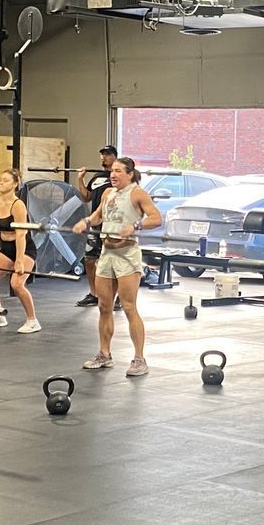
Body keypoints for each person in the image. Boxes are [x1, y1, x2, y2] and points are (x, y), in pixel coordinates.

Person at [73, 156, 161, 375]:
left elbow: (156, 218)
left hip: (127, 254)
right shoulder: (107, 193)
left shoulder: (137, 193)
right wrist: (85, 222)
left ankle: (139, 359)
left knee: (129, 306)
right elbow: (97, 216)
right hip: (107, 253)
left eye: (118, 171)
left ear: (130, 174)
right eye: (112, 171)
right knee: (104, 307)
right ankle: (104, 354)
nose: (113, 174)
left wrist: (135, 225)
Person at [0, 167, 41, 334]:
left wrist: (19, 261)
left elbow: (21, 235)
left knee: (17, 284)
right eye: (0, 179)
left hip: (25, 249)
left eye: (5, 180)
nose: (1, 183)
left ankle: (33, 321)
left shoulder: (18, 205)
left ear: (15, 184)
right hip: (6, 249)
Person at [75, 145, 117, 308]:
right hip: (96, 223)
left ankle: (119, 295)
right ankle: (94, 294)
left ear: (114, 156)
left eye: (107, 155)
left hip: (113, 225)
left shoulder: (118, 178)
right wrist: (80, 179)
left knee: (115, 261)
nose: (103, 158)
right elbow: (86, 197)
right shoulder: (97, 177)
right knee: (90, 259)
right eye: (101, 155)